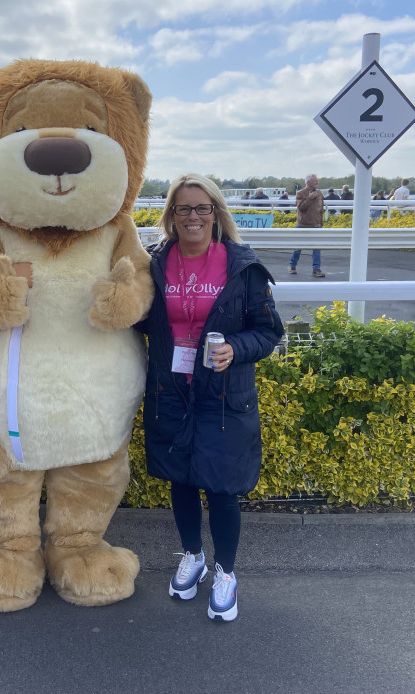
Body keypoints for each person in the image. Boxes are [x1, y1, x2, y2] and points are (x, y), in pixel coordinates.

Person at [136, 173, 283, 622]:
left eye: (203, 208)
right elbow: (140, 319)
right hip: (172, 389)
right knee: (181, 478)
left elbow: (269, 331)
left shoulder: (242, 266)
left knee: (221, 487)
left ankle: (226, 571)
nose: (194, 216)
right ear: (171, 216)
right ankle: (193, 555)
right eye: (184, 209)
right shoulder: (154, 264)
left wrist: (236, 349)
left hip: (223, 395)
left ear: (216, 213)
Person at [289, 173, 325, 277]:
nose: (317, 182)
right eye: (315, 180)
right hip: (303, 225)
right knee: (298, 248)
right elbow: (301, 208)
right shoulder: (300, 193)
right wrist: (309, 198)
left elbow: (320, 209)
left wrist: (321, 223)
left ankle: (316, 269)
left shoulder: (319, 193)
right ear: (308, 182)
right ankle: (292, 266)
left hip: (316, 225)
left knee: (317, 248)